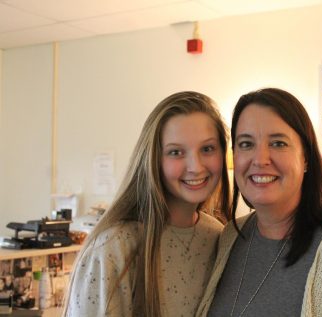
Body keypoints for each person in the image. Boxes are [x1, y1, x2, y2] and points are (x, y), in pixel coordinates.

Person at [198, 88, 322, 317]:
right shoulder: (230, 237)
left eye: (278, 143)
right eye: (246, 144)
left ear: (305, 157)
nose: (260, 159)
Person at [62, 91, 231, 317]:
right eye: (176, 152)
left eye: (207, 149)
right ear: (153, 159)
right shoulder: (114, 246)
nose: (196, 166)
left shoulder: (219, 237)